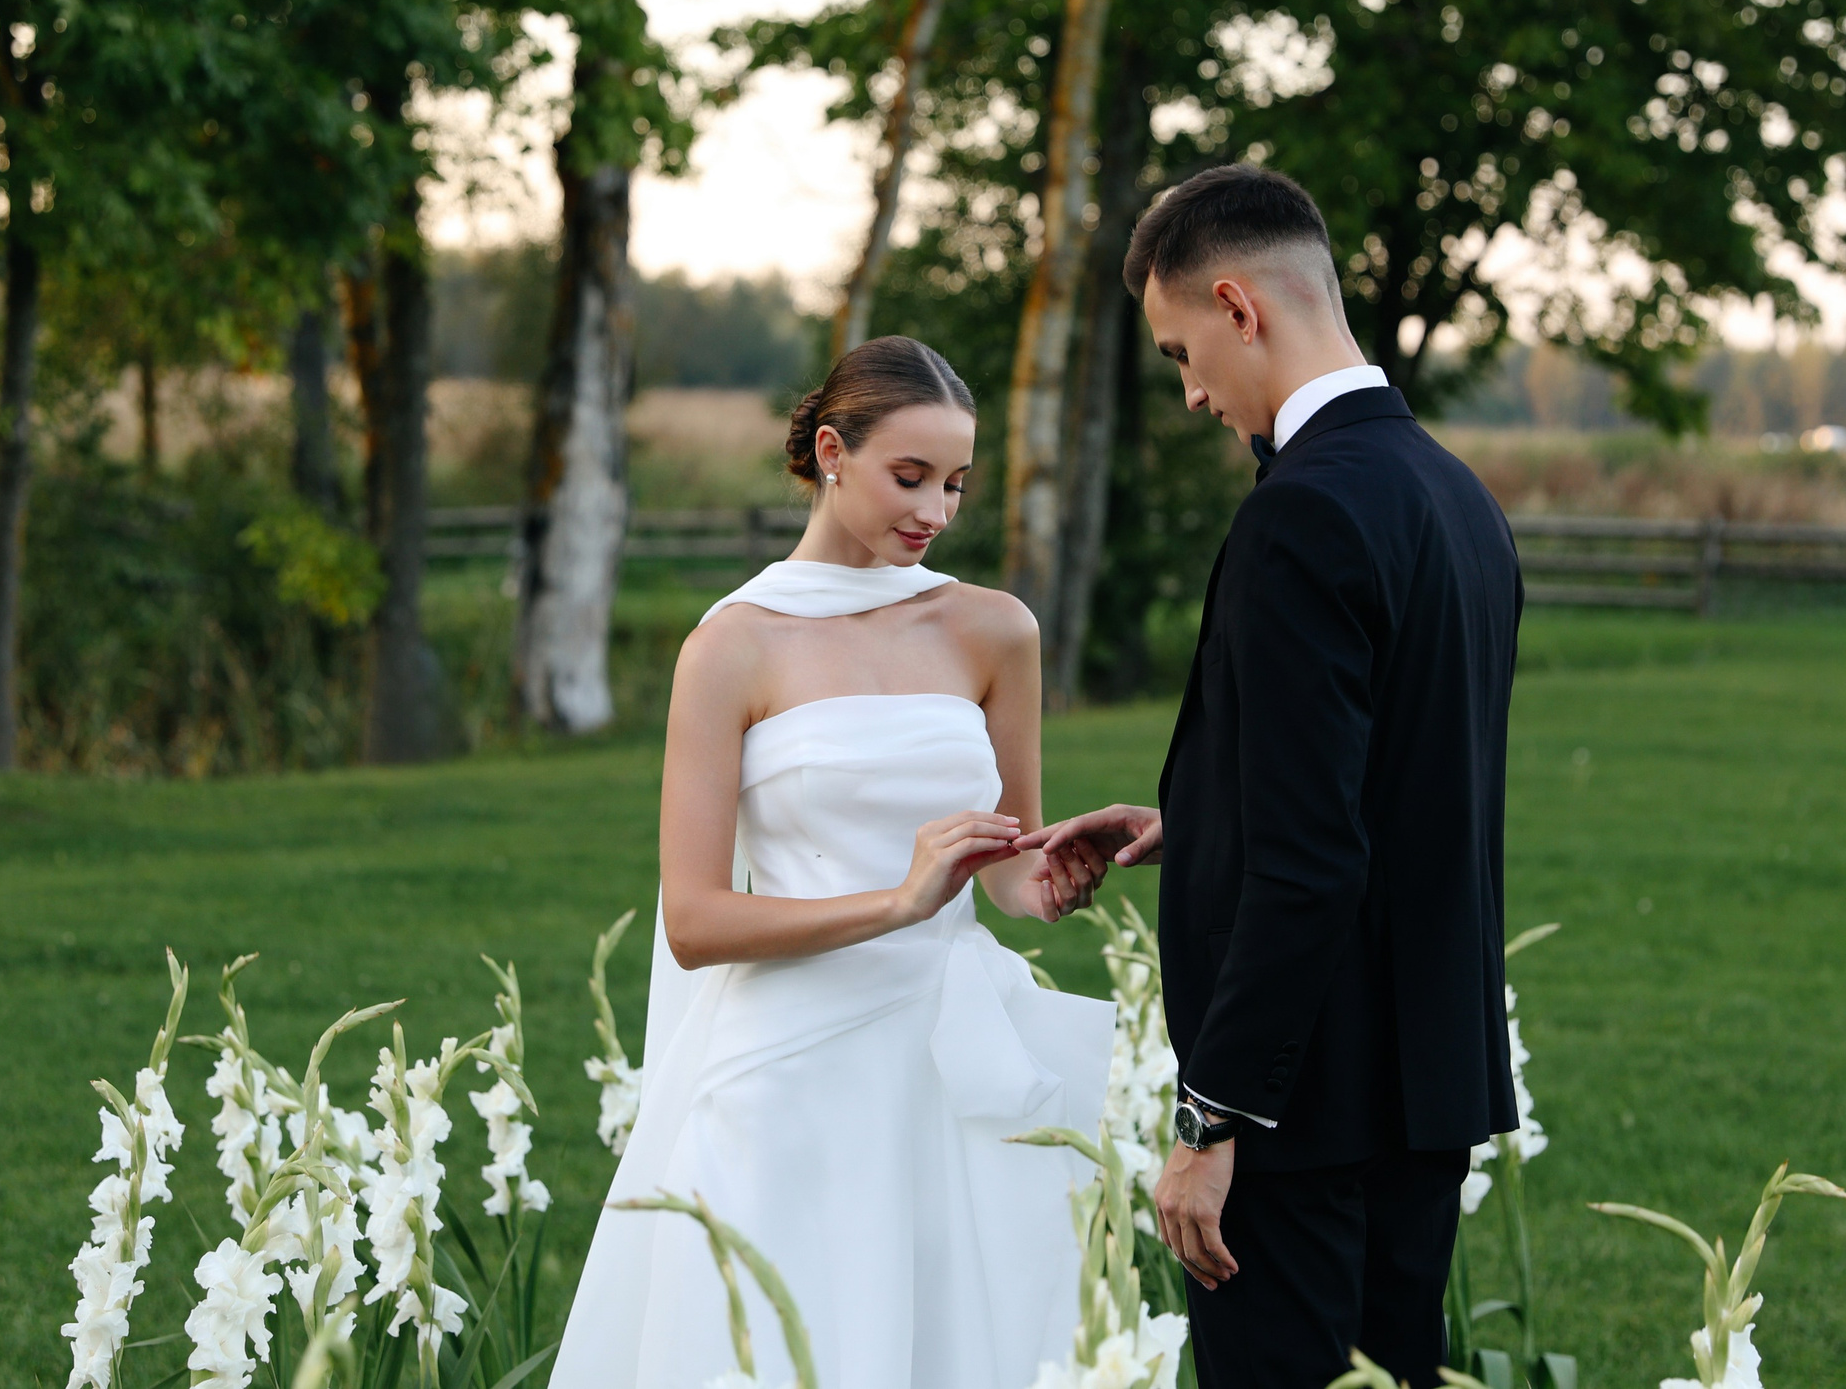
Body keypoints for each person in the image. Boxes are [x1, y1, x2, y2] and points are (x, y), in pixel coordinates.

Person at [1023, 164, 1524, 1388]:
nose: (1192, 393)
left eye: (1181, 353)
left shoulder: (1299, 514)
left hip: (1302, 1115)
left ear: (1238, 307)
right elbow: (1394, 784)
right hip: (1420, 1092)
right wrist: (1201, 819)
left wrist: (1213, 1121)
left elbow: (1311, 861)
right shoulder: (1454, 496)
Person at [552, 334, 1118, 1389]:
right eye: (911, 476)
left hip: (941, 1068)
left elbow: (1007, 865)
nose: (937, 510)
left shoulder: (994, 629)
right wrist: (897, 901)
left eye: (956, 483)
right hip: (789, 1080)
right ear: (830, 453)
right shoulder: (731, 648)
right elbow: (695, 921)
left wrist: (1053, 875)